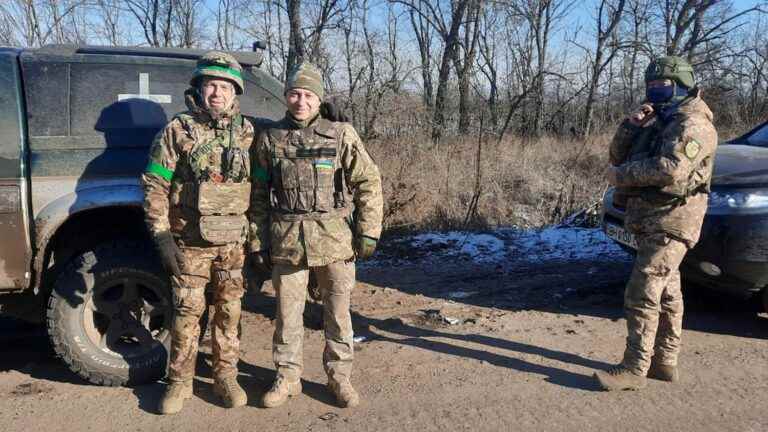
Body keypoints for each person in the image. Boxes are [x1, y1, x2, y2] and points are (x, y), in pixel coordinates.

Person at [248, 61, 383, 408]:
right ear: (286, 96)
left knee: (338, 314)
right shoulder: (270, 139)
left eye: (308, 95)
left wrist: (368, 232)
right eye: (294, 93)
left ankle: (340, 378)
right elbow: (259, 195)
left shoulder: (340, 134)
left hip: (334, 240)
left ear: (318, 98)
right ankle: (287, 377)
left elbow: (368, 180)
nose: (300, 101)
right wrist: (257, 240)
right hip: (287, 241)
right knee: (286, 315)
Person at [595, 56, 718, 390]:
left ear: (682, 86)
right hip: (649, 217)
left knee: (642, 291)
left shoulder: (694, 123)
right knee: (667, 293)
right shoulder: (659, 118)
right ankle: (664, 362)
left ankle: (635, 369)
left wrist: (620, 177)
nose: (655, 92)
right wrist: (631, 124)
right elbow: (616, 155)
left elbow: (669, 169)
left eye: (663, 86)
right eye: (650, 87)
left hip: (673, 218)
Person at [142, 51, 254, 413]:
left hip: (232, 243)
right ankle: (179, 382)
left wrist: (327, 117)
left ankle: (225, 377)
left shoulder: (248, 131)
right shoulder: (178, 130)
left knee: (229, 312)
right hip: (189, 242)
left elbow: (278, 156)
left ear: (235, 92)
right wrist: (161, 236)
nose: (217, 93)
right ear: (199, 89)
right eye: (211, 85)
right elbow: (155, 184)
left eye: (224, 86)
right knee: (187, 313)